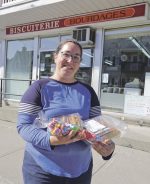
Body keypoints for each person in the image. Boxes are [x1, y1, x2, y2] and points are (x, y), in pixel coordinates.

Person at [17, 40, 115, 184]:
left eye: (76, 57)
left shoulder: (88, 92)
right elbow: (23, 126)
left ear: (80, 61)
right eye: (66, 54)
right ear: (55, 56)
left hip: (81, 170)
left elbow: (97, 126)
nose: (70, 60)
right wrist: (51, 140)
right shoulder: (38, 88)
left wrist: (107, 147)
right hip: (42, 170)